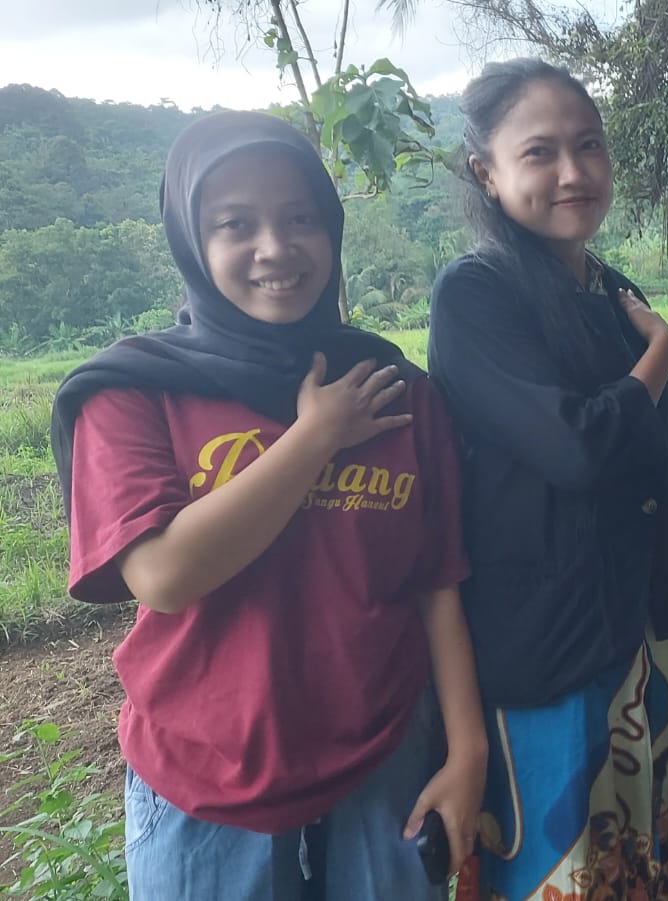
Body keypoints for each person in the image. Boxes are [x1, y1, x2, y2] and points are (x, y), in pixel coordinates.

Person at [51, 111, 486, 900]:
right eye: (235, 224)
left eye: (300, 219)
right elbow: (164, 573)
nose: (275, 248)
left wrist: (468, 754)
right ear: (191, 239)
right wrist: (315, 436)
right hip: (203, 786)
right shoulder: (133, 392)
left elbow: (437, 585)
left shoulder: (394, 391)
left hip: (384, 767)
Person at [426, 59, 668, 899]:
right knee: (571, 871)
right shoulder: (474, 295)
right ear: (486, 173)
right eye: (541, 152)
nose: (573, 171)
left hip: (645, 634)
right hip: (548, 654)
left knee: (665, 864)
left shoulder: (611, 289)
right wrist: (660, 356)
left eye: (589, 145)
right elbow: (576, 447)